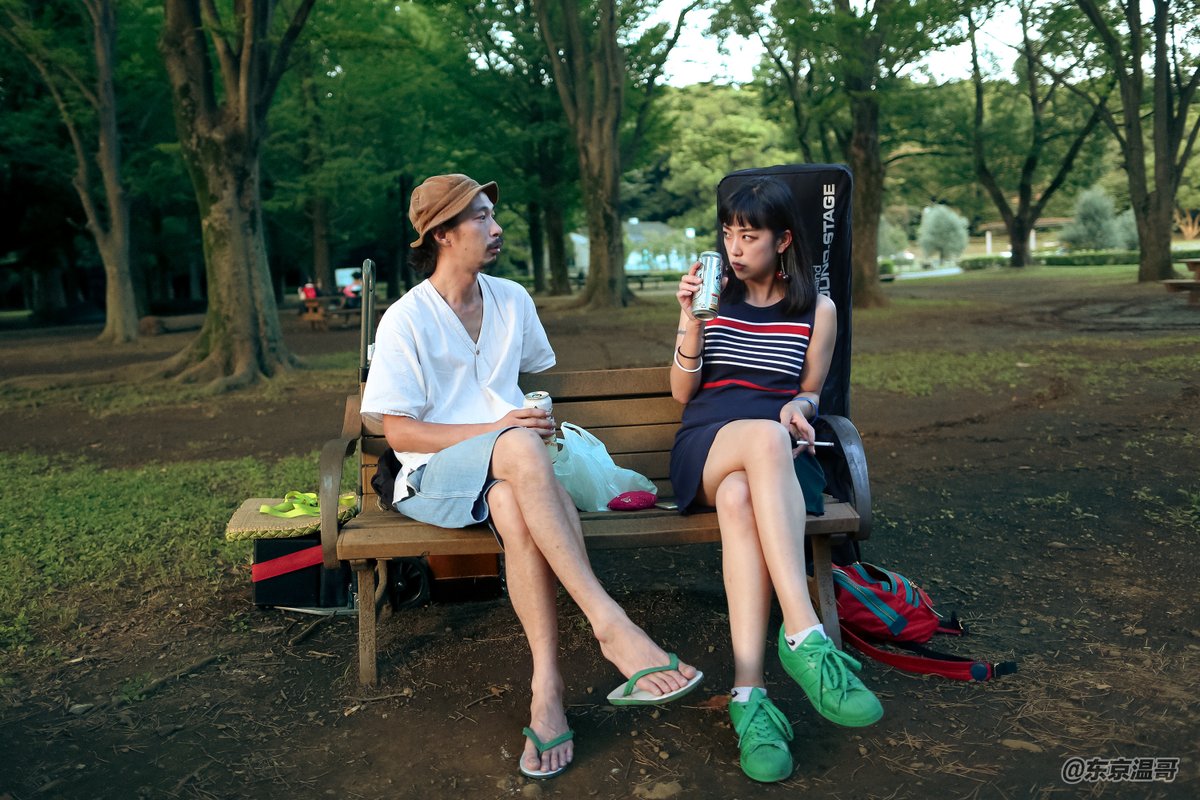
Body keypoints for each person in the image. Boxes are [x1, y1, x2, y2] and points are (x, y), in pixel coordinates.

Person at [360, 173, 702, 780]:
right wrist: (499, 431)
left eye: (493, 215)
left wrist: (525, 423)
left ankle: (547, 690)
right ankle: (611, 625)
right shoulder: (405, 320)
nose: (496, 228)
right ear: (441, 234)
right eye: (480, 217)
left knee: (515, 505)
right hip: (431, 476)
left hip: (508, 474)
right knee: (517, 445)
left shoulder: (512, 299)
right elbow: (401, 434)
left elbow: (517, 383)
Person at [669, 175, 882, 783]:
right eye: (728, 234)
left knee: (743, 492)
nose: (735, 248)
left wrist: (800, 407)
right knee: (759, 440)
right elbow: (682, 392)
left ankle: (748, 698)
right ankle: (805, 632)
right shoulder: (713, 296)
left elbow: (811, 390)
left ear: (783, 240)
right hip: (708, 445)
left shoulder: (818, 309)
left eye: (750, 235)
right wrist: (689, 319)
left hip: (780, 460)